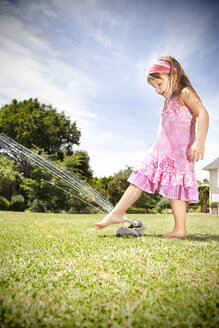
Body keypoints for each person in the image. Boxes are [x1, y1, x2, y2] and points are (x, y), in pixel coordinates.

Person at [95, 55, 209, 237]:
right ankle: (117, 213)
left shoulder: (185, 93)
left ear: (174, 75)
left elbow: (203, 113)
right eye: (154, 86)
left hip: (179, 153)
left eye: (159, 84)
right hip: (158, 151)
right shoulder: (169, 100)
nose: (157, 90)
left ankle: (180, 229)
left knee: (175, 189)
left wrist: (199, 141)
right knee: (139, 177)